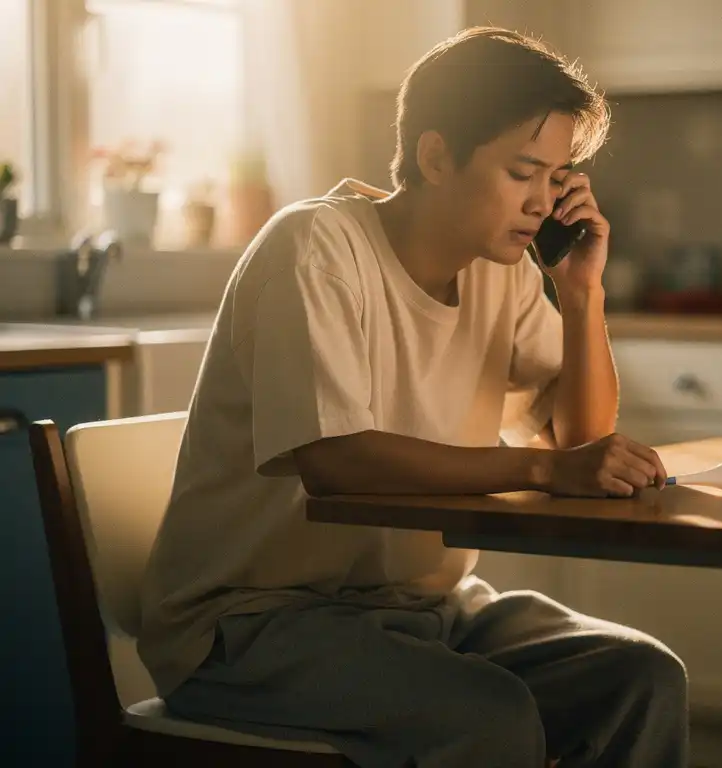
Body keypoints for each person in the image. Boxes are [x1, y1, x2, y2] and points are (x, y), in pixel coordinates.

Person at [138, 26, 688, 768]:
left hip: (421, 609)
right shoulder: (315, 247)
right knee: (489, 718)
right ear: (434, 156)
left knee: (642, 678)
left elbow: (578, 440)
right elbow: (336, 462)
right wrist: (536, 471)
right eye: (523, 171)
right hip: (252, 625)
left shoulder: (504, 266)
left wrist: (582, 293)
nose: (542, 201)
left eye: (556, 178)